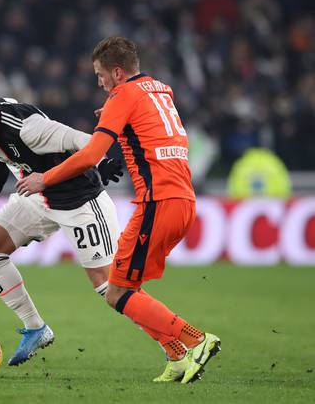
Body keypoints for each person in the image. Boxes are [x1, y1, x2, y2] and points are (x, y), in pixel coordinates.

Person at [16, 37, 221, 383]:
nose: (99, 83)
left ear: (116, 71)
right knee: (128, 289)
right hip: (184, 202)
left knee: (116, 292)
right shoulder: (159, 89)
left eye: (100, 75)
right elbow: (148, 124)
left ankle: (196, 339)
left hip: (157, 203)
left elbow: (90, 155)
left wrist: (44, 179)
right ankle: (176, 356)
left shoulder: (124, 95)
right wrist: (116, 112)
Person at [0, 85, 123, 366]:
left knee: (109, 287)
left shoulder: (31, 129)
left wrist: (102, 162)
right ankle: (36, 328)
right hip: (40, 198)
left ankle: (169, 340)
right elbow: (5, 129)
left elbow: (82, 139)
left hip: (80, 203)